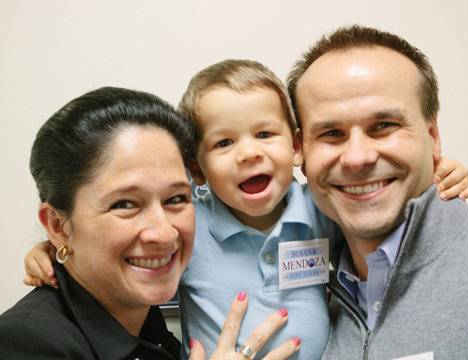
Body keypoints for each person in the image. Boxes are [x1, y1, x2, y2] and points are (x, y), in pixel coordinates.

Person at [24, 60, 468, 360]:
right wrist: (52, 251)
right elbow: (124, 254)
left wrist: (438, 176)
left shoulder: (323, 208)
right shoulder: (189, 225)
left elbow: (384, 210)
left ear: (296, 146)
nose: (247, 154)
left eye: (264, 134)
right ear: (197, 170)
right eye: (224, 142)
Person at [0, 87, 301, 360]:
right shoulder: (28, 343)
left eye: (176, 199)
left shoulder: (145, 325)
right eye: (125, 204)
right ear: (57, 225)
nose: (164, 233)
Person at [286, 25, 468, 359]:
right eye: (331, 132)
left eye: (384, 126)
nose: (357, 158)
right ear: (301, 151)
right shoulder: (311, 297)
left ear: (432, 137)